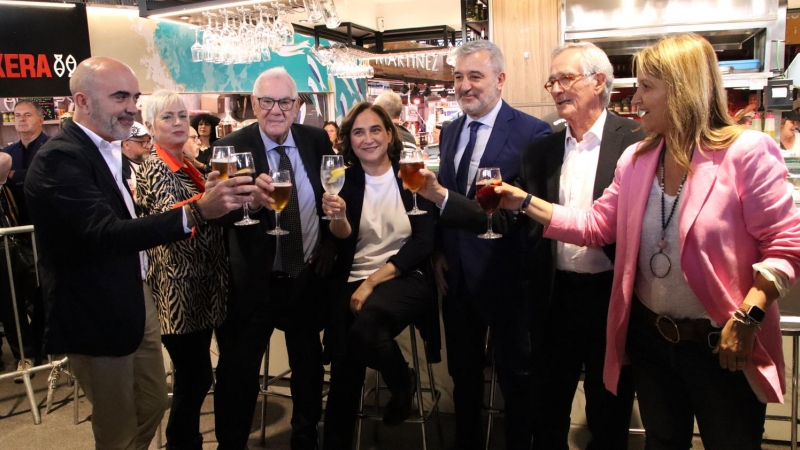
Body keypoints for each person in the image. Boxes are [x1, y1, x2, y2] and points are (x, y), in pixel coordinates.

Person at [496, 33, 800, 449]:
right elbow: (595, 225)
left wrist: (748, 317)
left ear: (682, 89)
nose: (636, 100)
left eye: (646, 87)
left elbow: (786, 245)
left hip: (724, 345)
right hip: (653, 342)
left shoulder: (746, 152)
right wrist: (526, 201)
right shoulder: (638, 159)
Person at [24, 56, 257, 450]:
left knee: (151, 405)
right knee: (119, 428)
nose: (130, 106)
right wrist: (200, 208)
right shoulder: (59, 158)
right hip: (97, 313)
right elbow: (106, 234)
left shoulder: (112, 150)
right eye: (120, 97)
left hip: (137, 299)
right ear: (81, 100)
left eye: (134, 96)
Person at [415, 39, 551, 450]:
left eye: (475, 76)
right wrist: (438, 250)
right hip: (456, 277)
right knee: (464, 377)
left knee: (516, 381)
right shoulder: (451, 128)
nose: (464, 86)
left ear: (500, 79)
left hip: (508, 278)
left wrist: (441, 198)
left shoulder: (533, 133)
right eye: (458, 77)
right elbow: (450, 196)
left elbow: (520, 216)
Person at [519, 42, 645, 450]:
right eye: (551, 80)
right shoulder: (542, 148)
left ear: (598, 81)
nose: (555, 88)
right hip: (555, 296)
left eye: (565, 78)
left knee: (608, 412)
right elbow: (522, 223)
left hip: (611, 296)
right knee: (548, 409)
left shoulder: (636, 142)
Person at [213, 67, 336, 450]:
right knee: (238, 373)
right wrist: (242, 202)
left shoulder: (316, 141)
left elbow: (332, 199)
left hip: (305, 276)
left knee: (308, 366)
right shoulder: (232, 146)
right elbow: (215, 211)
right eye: (267, 101)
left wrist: (330, 246)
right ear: (254, 103)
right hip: (253, 281)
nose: (276, 110)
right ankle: (231, 444)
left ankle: (304, 437)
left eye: (285, 101)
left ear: (297, 104)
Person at [320, 102, 438, 449]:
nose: (367, 138)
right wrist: (337, 218)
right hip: (353, 275)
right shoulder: (345, 179)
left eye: (375, 130)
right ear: (348, 140)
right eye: (358, 132)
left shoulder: (413, 174)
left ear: (389, 134)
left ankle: (402, 383)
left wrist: (372, 282)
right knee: (343, 360)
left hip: (405, 275)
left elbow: (423, 241)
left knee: (366, 325)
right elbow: (341, 238)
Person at [136, 90, 230, 450]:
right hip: (178, 289)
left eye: (181, 116)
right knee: (193, 377)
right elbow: (167, 217)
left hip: (199, 284)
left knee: (196, 375)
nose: (178, 123)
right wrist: (210, 200)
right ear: (150, 126)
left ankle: (185, 439)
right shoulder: (157, 165)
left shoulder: (186, 162)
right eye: (167, 117)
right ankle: (182, 442)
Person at [0, 99, 50, 377]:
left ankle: (44, 343)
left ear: (40, 119)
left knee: (45, 289)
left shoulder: (52, 148)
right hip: (14, 236)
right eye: (17, 115)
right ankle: (27, 352)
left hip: (46, 231)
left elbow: (43, 179)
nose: (21, 120)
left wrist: (14, 176)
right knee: (16, 295)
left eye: (27, 115)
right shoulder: (7, 152)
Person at [121, 121, 152, 203]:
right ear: (126, 145)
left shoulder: (153, 163)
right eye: (142, 142)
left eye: (148, 141)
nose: (148, 146)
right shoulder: (119, 170)